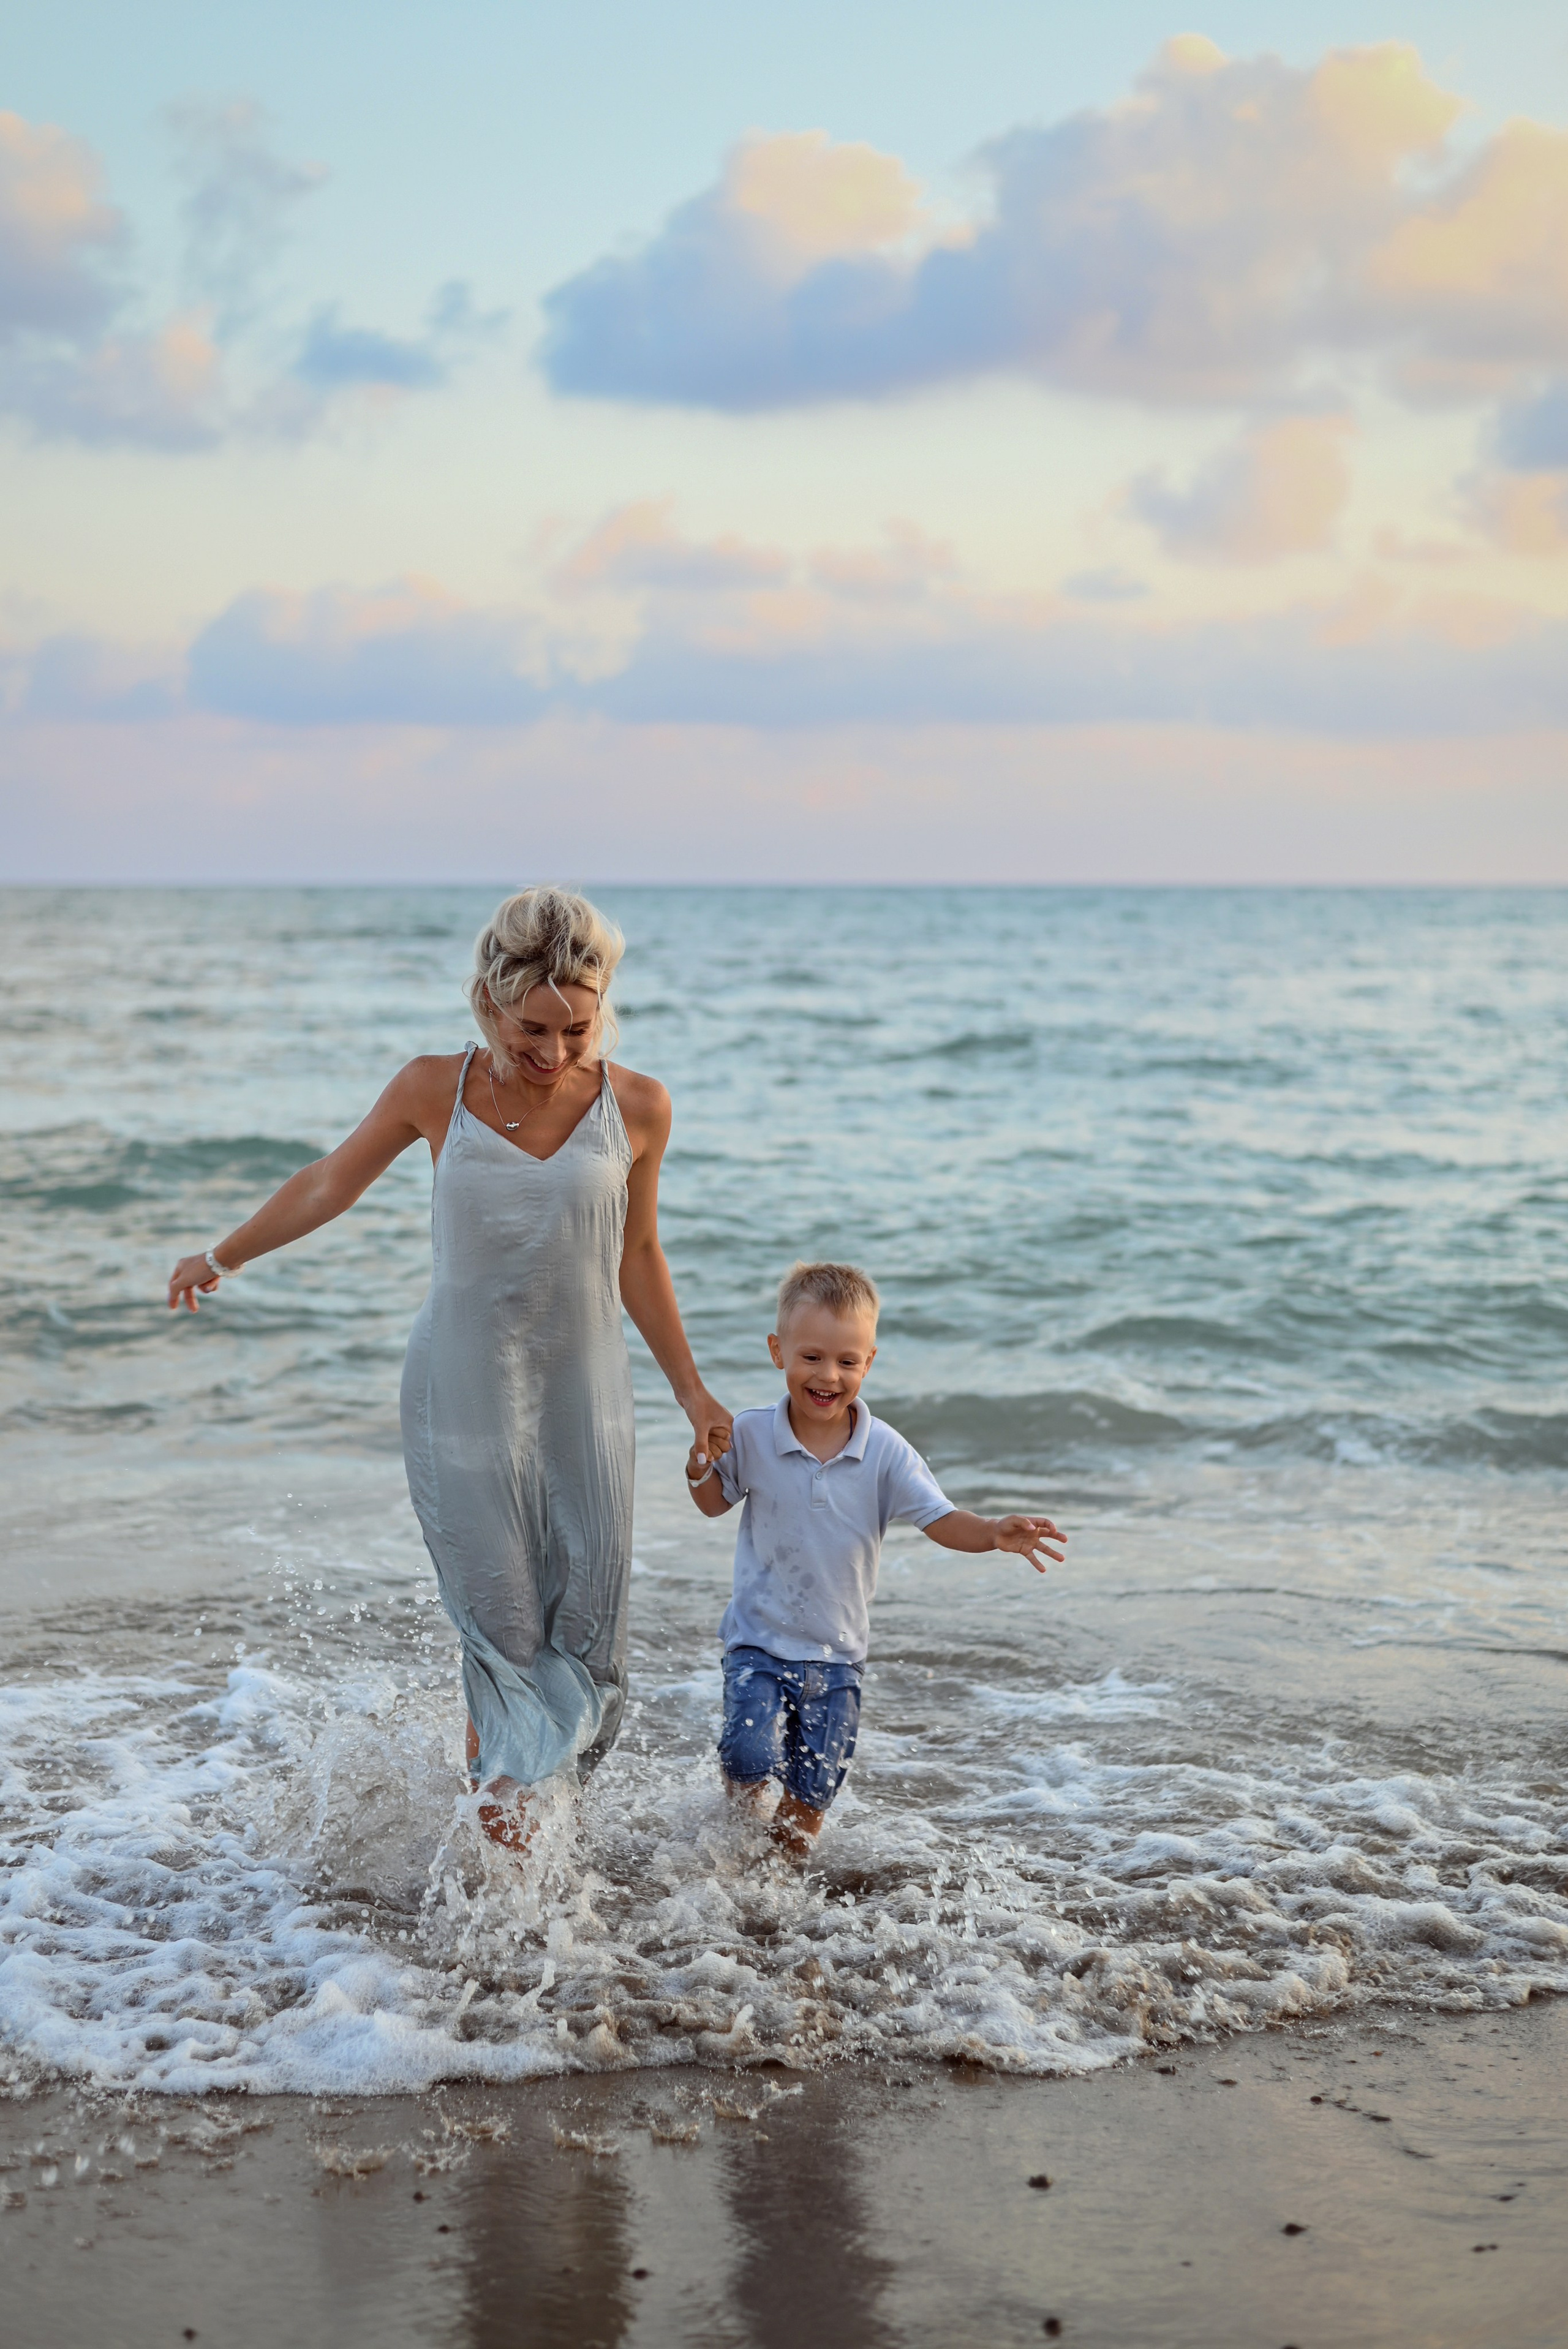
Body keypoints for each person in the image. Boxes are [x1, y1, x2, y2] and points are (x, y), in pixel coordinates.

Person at [168, 886, 732, 1849]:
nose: (554, 1051)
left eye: (577, 1028)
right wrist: (222, 1254)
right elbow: (328, 1182)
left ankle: (525, 1828)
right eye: (532, 1028)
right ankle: (502, 1861)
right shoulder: (435, 1088)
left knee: (589, 1643)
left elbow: (638, 1252)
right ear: (489, 1001)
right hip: (462, 1387)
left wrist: (692, 1389)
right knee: (503, 1628)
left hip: (588, 1394)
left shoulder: (638, 1104)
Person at [685, 1260, 1065, 1856]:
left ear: (869, 1362)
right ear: (777, 1351)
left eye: (847, 1361)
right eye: (811, 1356)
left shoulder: (886, 1450)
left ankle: (778, 1883)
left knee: (812, 1793)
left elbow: (940, 1518)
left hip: (838, 1657)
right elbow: (713, 1503)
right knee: (746, 1753)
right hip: (757, 1641)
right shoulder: (752, 1434)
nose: (828, 1375)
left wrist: (992, 1531)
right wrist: (699, 1466)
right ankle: (734, 1841)